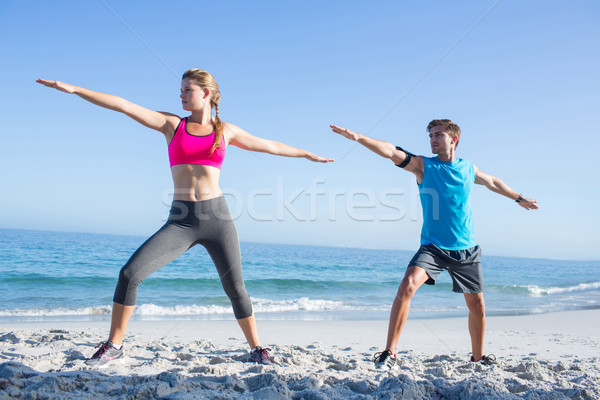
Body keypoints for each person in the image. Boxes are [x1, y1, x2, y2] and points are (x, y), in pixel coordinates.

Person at [36, 69, 333, 367]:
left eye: (187, 89)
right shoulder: (172, 125)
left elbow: (268, 145)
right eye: (180, 89)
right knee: (129, 274)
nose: (180, 94)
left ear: (206, 93)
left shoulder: (224, 131)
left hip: (217, 218)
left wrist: (306, 154)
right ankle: (114, 345)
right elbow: (123, 105)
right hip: (181, 220)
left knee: (235, 288)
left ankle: (257, 348)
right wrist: (75, 89)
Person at [330, 119, 538, 369]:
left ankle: (478, 357)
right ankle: (389, 352)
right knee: (407, 285)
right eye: (431, 135)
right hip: (433, 247)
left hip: (466, 249)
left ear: (454, 139)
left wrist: (519, 198)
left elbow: (493, 182)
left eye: (438, 134)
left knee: (477, 305)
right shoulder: (423, 166)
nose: (433, 139)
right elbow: (392, 152)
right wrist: (359, 138)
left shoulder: (468, 168)